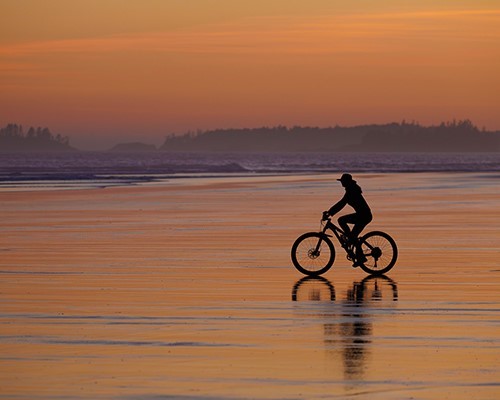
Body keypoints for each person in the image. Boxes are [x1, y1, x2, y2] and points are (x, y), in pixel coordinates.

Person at [324, 173, 372, 265]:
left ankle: (359, 255)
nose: (341, 183)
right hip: (363, 215)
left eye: (343, 181)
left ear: (347, 182)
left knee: (342, 221)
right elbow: (342, 203)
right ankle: (353, 244)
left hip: (364, 216)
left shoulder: (352, 191)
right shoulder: (351, 189)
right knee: (352, 236)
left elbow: (341, 203)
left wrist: (330, 212)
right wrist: (330, 212)